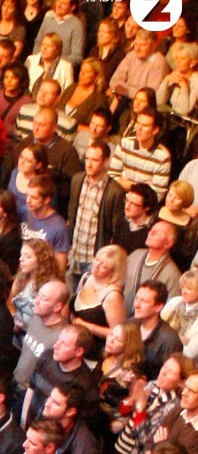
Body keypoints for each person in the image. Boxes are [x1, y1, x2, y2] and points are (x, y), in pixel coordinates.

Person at [66, 141, 125, 284]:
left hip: (94, 257)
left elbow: (115, 229)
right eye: (87, 159)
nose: (89, 164)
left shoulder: (114, 191)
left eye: (95, 160)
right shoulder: (77, 180)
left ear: (106, 162)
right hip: (75, 252)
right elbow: (72, 215)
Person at [70, 245, 127, 358]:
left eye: (104, 266)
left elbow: (118, 333)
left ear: (113, 271)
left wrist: (86, 326)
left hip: (93, 353)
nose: (96, 267)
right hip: (73, 344)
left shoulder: (112, 296)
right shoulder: (87, 277)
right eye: (97, 260)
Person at [40, 382, 99, 454]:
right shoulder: (48, 418)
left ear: (70, 412)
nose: (47, 404)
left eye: (56, 403)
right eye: (50, 397)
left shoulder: (84, 450)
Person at [108, 107, 171, 201]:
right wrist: (141, 187)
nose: (139, 128)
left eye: (145, 125)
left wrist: (127, 184)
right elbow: (111, 177)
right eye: (138, 123)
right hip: (119, 199)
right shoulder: (125, 144)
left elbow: (157, 195)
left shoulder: (163, 156)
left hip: (142, 207)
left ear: (155, 130)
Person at [124, 222, 182, 314]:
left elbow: (171, 310)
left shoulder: (172, 274)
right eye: (151, 230)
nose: (152, 233)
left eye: (159, 232)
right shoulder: (135, 255)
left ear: (168, 244)